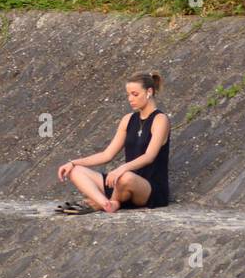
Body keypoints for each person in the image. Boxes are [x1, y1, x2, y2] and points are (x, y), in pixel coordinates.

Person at [56, 71, 171, 214]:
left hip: (147, 188)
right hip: (120, 184)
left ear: (149, 92)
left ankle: (104, 202)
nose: (130, 99)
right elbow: (107, 154)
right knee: (75, 171)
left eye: (135, 94)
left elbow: (149, 156)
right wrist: (73, 162)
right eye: (128, 94)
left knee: (126, 177)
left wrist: (121, 169)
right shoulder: (128, 119)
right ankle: (105, 203)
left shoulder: (160, 120)